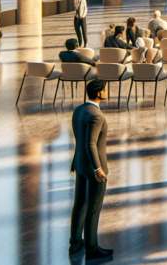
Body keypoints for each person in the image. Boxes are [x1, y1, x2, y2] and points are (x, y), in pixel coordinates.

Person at [68, 79, 113, 259]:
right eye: (106, 89)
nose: (107, 91)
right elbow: (90, 143)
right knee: (93, 208)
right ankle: (92, 248)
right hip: (94, 168)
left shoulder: (79, 110)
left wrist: (75, 161)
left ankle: (75, 243)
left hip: (80, 165)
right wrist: (98, 168)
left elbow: (78, 139)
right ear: (100, 93)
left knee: (79, 204)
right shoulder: (97, 116)